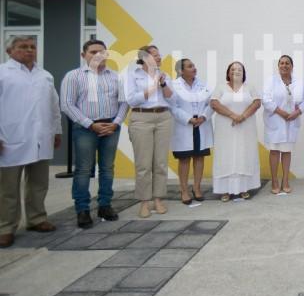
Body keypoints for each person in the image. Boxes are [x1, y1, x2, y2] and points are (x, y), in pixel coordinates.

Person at [0, 36, 62, 247]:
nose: (29, 50)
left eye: (32, 47)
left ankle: (37, 219)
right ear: (10, 51)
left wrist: (57, 131)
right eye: (23, 47)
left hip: (41, 137)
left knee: (38, 183)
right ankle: (6, 227)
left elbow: (54, 105)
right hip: (9, 139)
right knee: (7, 188)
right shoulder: (2, 73)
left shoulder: (44, 75)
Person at [60, 40, 129, 229]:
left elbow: (124, 102)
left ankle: (105, 206)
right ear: (84, 55)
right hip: (85, 129)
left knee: (107, 168)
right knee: (83, 169)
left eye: (102, 52)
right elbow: (66, 104)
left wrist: (115, 123)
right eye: (93, 52)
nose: (98, 55)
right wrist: (90, 124)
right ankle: (82, 209)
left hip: (110, 127)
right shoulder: (73, 76)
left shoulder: (116, 77)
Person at [122, 45, 174, 218]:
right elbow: (131, 99)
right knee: (143, 164)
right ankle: (144, 202)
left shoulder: (163, 75)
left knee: (160, 162)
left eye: (159, 55)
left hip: (163, 117)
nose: (159, 58)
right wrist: (152, 87)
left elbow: (171, 97)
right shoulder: (132, 75)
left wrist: (163, 83)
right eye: (154, 55)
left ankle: (158, 199)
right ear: (144, 58)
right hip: (141, 118)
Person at [210, 61, 261, 202]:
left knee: (244, 155)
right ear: (228, 72)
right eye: (233, 69)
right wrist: (233, 116)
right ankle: (224, 190)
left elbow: (257, 103)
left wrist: (242, 117)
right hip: (225, 130)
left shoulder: (250, 87)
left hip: (246, 129)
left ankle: (244, 188)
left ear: (244, 73)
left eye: (239, 69)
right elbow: (214, 103)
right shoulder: (220, 87)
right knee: (226, 156)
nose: (236, 71)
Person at [169, 58, 213, 205]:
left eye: (194, 65)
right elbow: (173, 107)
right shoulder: (174, 86)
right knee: (185, 159)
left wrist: (204, 117)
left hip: (201, 124)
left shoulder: (203, 84)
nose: (194, 68)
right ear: (181, 71)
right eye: (189, 66)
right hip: (185, 124)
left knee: (199, 157)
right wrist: (188, 119)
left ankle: (197, 188)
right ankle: (184, 190)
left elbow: (211, 103)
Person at [262, 55, 304, 194]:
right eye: (281, 63)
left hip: (291, 122)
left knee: (287, 151)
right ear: (278, 66)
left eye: (287, 63)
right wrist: (281, 112)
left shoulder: (298, 82)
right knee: (274, 151)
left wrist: (297, 112)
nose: (284, 65)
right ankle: (274, 181)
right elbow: (266, 99)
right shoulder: (271, 81)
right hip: (275, 120)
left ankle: (285, 180)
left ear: (292, 66)